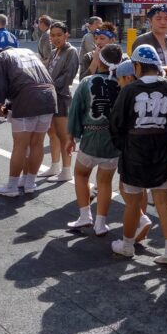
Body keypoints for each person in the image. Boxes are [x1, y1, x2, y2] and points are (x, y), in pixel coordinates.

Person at [109, 45, 167, 262]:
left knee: (132, 201)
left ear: (137, 66)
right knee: (163, 200)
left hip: (135, 146)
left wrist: (123, 144)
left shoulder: (130, 90)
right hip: (161, 144)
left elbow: (116, 122)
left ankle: (128, 245)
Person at [66, 43, 125, 235]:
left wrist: (71, 137)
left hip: (91, 138)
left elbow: (75, 112)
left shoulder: (86, 82)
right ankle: (101, 223)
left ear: (99, 60)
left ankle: (85, 216)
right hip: (114, 142)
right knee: (105, 183)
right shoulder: (123, 83)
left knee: (81, 175)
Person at [0, 47, 58, 197]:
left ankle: (12, 186)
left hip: (27, 97)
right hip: (49, 95)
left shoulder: (0, 58)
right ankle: (29, 183)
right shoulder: (29, 51)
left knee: (20, 145)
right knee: (37, 143)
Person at [39, 21, 80, 182]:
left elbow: (68, 76)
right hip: (50, 96)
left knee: (64, 136)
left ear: (66, 35)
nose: (55, 38)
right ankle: (55, 165)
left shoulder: (71, 51)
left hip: (61, 97)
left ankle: (66, 170)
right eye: (53, 35)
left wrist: (49, 86)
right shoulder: (56, 51)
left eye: (59, 35)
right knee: (52, 133)